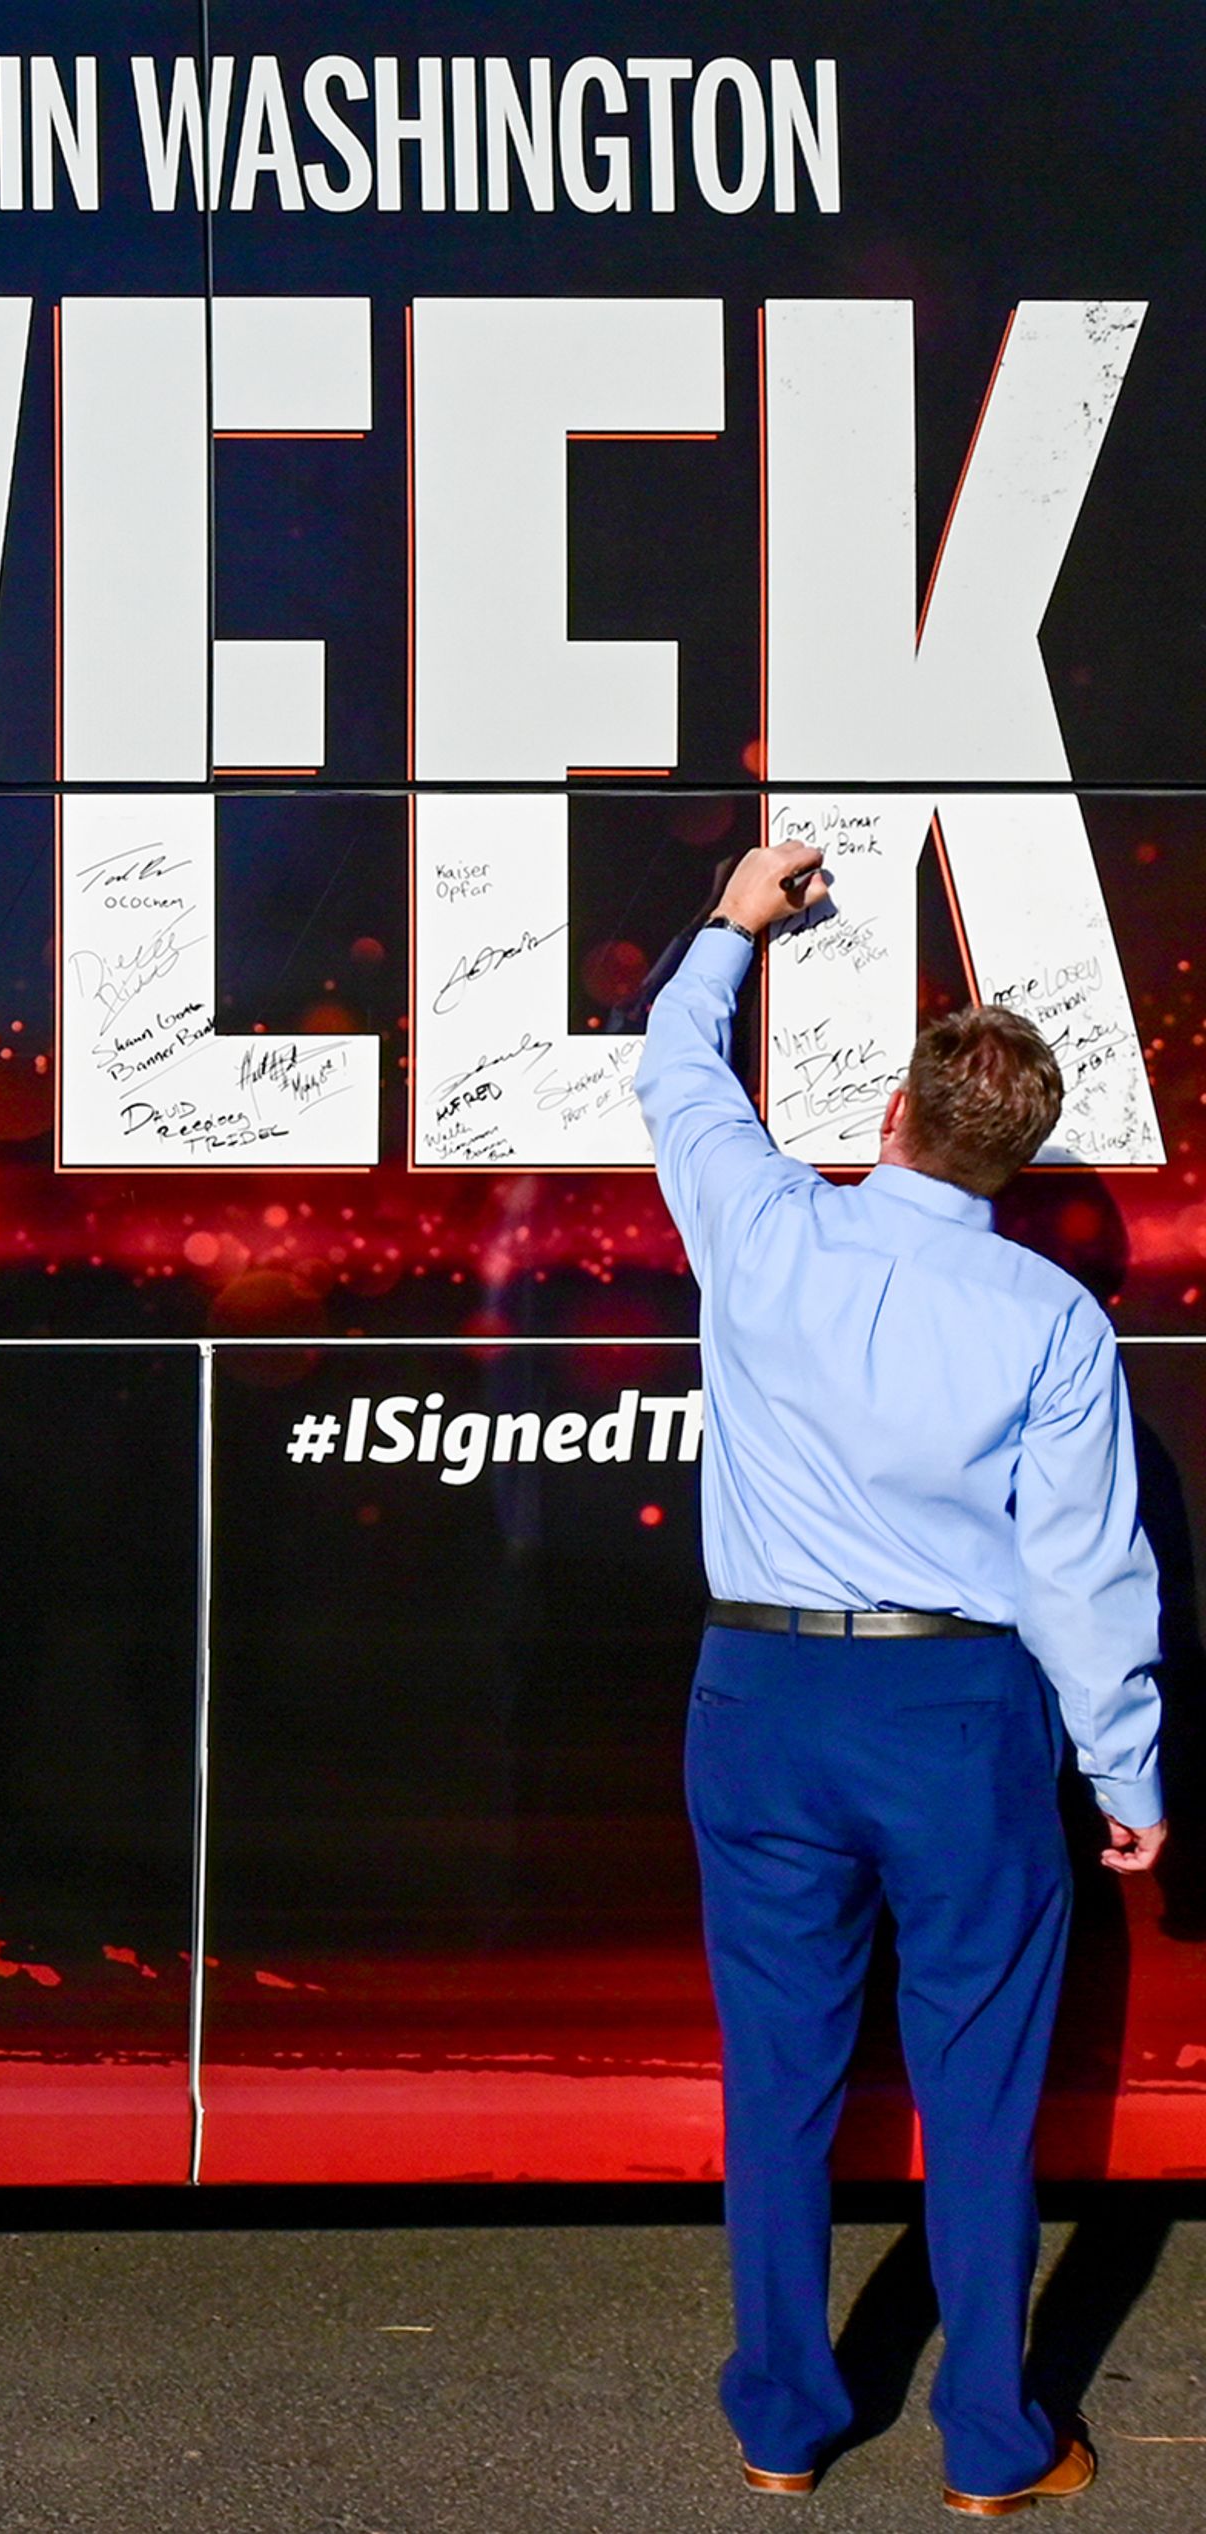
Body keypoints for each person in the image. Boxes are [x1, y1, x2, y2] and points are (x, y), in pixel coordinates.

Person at [636, 838, 1167, 2517]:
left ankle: (788, 2421)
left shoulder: (765, 1228)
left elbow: (673, 1069)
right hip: (959, 1721)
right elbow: (1087, 1572)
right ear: (1017, 1159)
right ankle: (997, 2444)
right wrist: (1129, 1774)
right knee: (982, 2092)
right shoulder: (1054, 1323)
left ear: (892, 1117)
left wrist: (735, 923)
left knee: (780, 2077)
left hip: (763, 1706)